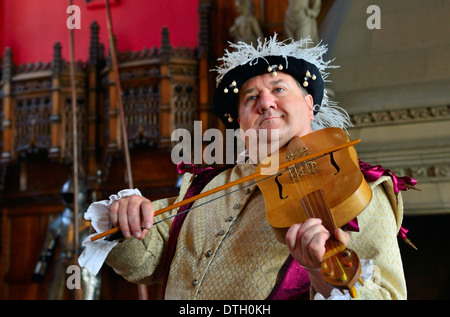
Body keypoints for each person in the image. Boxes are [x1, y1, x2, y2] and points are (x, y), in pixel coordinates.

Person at [79, 35, 416, 300]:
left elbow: (387, 296)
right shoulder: (204, 187)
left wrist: (321, 274)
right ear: (240, 121)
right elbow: (144, 263)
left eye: (279, 89)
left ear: (310, 105)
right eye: (250, 98)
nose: (265, 102)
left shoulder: (356, 185)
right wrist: (126, 216)